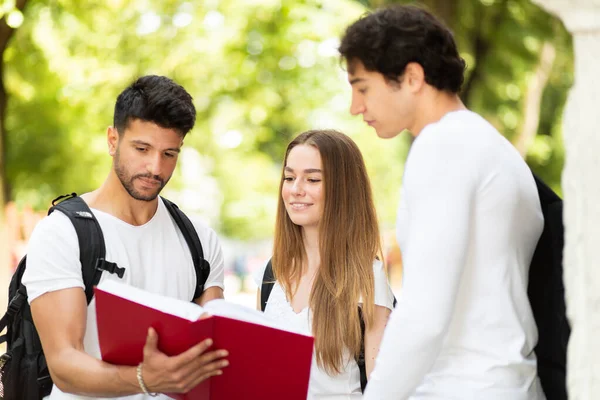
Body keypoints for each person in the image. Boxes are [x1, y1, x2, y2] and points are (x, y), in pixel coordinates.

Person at [339, 5, 546, 400]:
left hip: (465, 386)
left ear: (412, 77)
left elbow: (424, 315)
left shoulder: (443, 145)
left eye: (363, 87)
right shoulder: (492, 147)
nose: (355, 106)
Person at [22, 75, 229, 399]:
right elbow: (64, 364)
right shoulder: (62, 233)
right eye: (142, 148)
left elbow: (210, 355)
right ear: (112, 140)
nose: (155, 167)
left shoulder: (200, 240)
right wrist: (145, 379)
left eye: (169, 153)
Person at [254, 129, 394, 398]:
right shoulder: (271, 274)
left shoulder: (368, 277)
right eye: (289, 177)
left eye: (313, 179)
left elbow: (383, 389)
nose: (296, 190)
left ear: (344, 189)